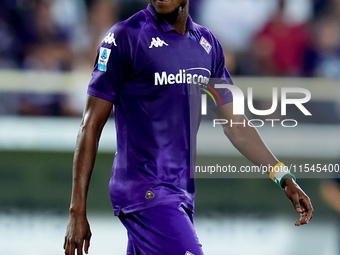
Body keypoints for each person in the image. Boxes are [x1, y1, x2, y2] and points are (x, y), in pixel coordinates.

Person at [63, 1, 314, 254]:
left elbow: (236, 124)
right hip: (145, 192)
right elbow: (90, 125)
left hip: (180, 194)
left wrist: (283, 177)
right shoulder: (125, 37)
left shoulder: (206, 44)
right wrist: (76, 210)